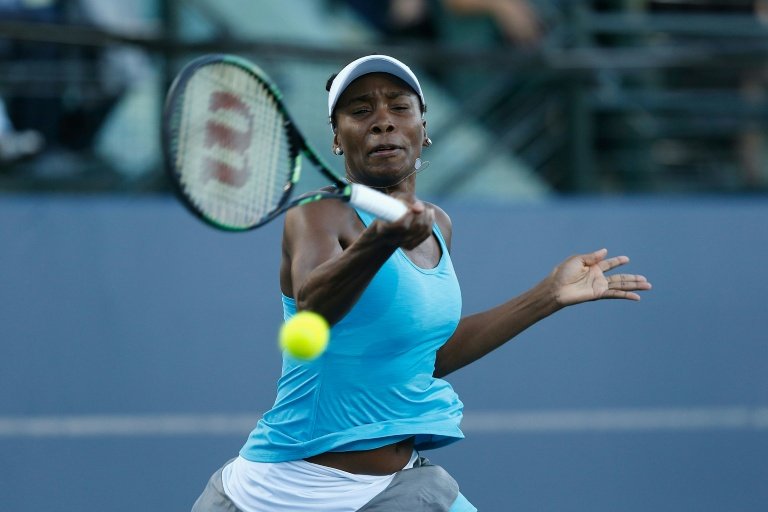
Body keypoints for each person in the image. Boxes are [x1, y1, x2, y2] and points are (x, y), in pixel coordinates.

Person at [191, 54, 652, 512]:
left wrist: (547, 296)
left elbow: (425, 358)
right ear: (337, 138)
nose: (382, 122)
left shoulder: (439, 228)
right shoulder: (317, 212)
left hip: (397, 488)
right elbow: (315, 306)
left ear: (424, 127)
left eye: (398, 106)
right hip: (278, 492)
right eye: (360, 111)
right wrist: (381, 241)